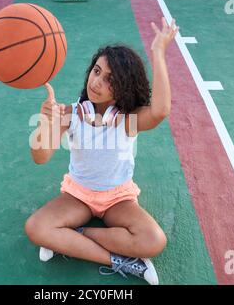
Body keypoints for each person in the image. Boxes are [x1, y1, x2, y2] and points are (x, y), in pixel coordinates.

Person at [25, 18, 179, 285]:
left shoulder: (129, 118)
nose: (97, 82)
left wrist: (158, 51)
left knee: (153, 240)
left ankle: (72, 236)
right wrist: (46, 124)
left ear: (123, 88)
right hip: (78, 194)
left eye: (110, 80)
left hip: (118, 198)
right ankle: (121, 262)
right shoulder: (69, 114)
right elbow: (40, 158)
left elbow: (161, 110)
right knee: (35, 227)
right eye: (96, 71)